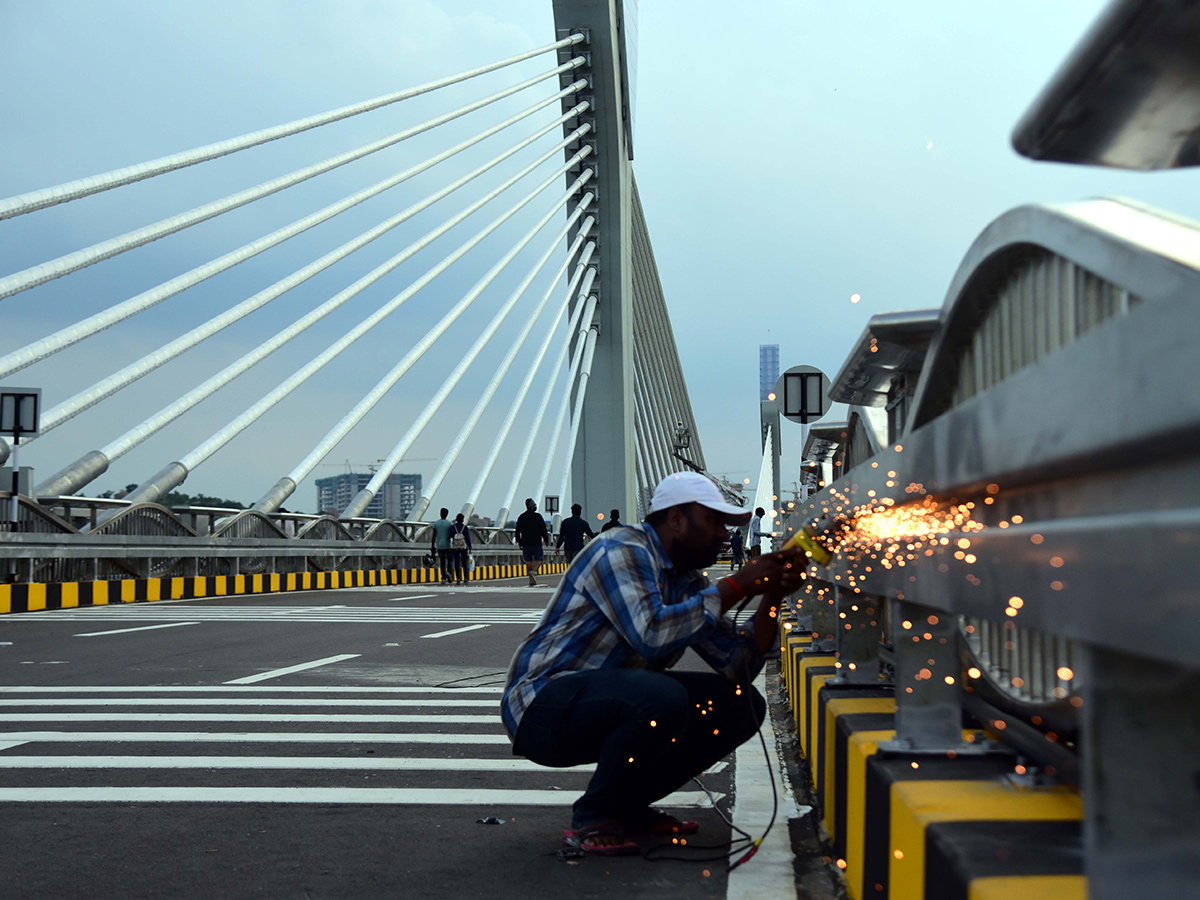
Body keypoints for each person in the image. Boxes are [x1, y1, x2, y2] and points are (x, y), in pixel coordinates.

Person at [501, 472, 805, 855]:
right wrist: (738, 585)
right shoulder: (621, 550)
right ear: (676, 519)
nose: (723, 534)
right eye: (713, 521)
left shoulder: (687, 580)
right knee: (662, 697)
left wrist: (773, 596)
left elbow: (737, 667)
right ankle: (595, 813)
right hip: (542, 706)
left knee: (741, 704)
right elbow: (652, 633)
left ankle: (625, 807)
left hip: (614, 701)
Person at [514, 498, 550, 586]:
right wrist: (546, 540)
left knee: (528, 560)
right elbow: (543, 530)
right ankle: (533, 572)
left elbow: (517, 531)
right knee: (539, 559)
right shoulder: (538, 517)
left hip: (525, 542)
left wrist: (519, 542)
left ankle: (531, 576)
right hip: (536, 542)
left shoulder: (521, 517)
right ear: (532, 506)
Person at [430, 508, 455, 584]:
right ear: (447, 514)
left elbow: (434, 536)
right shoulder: (450, 523)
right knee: (450, 561)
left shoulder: (436, 523)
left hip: (440, 545)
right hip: (448, 545)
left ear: (440, 513)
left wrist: (432, 545)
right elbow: (452, 535)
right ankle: (449, 573)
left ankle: (443, 577)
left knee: (442, 561)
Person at [450, 512, 472, 585]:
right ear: (463, 520)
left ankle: (458, 578)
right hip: (463, 547)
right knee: (464, 563)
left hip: (455, 547)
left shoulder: (453, 527)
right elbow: (468, 539)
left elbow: (449, 536)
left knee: (457, 562)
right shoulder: (465, 528)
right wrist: (470, 547)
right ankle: (465, 578)